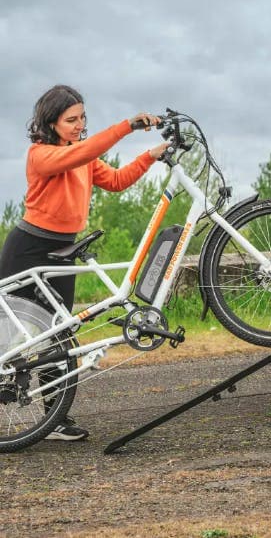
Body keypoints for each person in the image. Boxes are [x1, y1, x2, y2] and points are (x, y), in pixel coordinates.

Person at [0, 84, 169, 441]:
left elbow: (118, 181)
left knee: (60, 334)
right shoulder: (40, 154)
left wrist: (150, 156)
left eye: (82, 118)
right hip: (28, 248)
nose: (79, 125)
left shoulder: (83, 155)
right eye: (70, 120)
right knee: (9, 335)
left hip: (63, 250)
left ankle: (53, 420)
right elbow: (82, 154)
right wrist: (126, 127)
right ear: (50, 123)